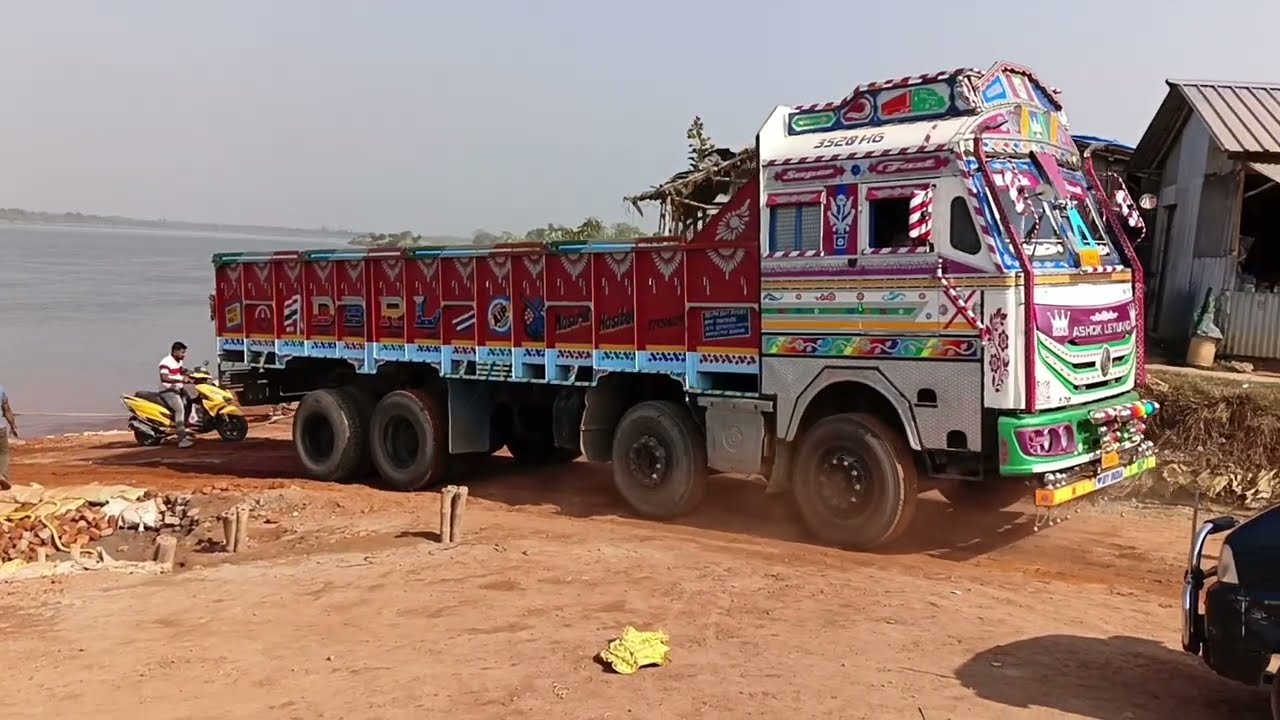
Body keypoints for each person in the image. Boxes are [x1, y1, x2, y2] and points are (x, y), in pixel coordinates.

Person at [159, 341, 194, 448]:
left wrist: (194, 373)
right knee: (180, 410)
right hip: (168, 391)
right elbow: (164, 377)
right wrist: (181, 379)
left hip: (178, 389)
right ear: (175, 352)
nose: (184, 355)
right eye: (182, 352)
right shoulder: (165, 362)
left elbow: (181, 370)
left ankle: (185, 430)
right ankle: (182, 440)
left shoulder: (178, 361)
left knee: (190, 402)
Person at [0, 384, 16, 490]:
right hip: (0, 429)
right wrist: (13, 426)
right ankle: (4, 477)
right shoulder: (1, 390)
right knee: (3, 453)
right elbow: (7, 410)